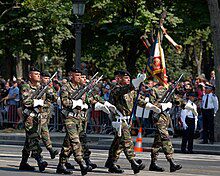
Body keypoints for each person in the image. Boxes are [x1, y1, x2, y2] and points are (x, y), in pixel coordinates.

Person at [105, 70, 160, 174]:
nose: (128, 79)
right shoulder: (116, 89)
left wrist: (151, 107)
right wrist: (138, 80)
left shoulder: (131, 91)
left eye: (129, 78)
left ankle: (111, 162)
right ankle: (133, 162)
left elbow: (139, 100)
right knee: (127, 141)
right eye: (125, 78)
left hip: (128, 119)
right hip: (119, 120)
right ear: (118, 79)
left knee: (118, 143)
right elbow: (126, 89)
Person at [56, 68, 92, 175]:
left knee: (68, 143)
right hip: (69, 118)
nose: (79, 78)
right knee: (75, 140)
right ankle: (81, 163)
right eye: (77, 75)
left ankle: (61, 165)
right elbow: (65, 102)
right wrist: (74, 103)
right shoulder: (65, 87)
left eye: (80, 76)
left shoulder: (82, 88)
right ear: (71, 76)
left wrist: (87, 103)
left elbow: (87, 100)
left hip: (79, 119)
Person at [19, 67, 48, 172]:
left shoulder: (41, 87)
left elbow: (49, 99)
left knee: (29, 141)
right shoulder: (25, 87)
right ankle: (40, 160)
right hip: (29, 118)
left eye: (39, 74)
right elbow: (26, 102)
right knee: (33, 138)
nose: (38, 76)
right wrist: (37, 102)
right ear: (30, 75)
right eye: (36, 74)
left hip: (38, 117)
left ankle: (23, 163)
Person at [149, 82, 182, 172]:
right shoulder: (154, 90)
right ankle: (171, 161)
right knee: (165, 137)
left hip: (166, 117)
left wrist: (184, 103)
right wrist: (163, 105)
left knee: (158, 142)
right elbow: (152, 104)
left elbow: (178, 101)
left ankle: (153, 163)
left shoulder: (168, 90)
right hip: (158, 117)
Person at [40, 71, 59, 159]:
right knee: (44, 131)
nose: (47, 80)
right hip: (36, 113)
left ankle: (30, 153)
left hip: (46, 113)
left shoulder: (49, 88)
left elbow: (55, 98)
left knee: (35, 135)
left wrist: (51, 89)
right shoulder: (38, 87)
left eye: (48, 78)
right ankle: (50, 149)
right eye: (45, 78)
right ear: (41, 78)